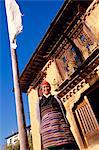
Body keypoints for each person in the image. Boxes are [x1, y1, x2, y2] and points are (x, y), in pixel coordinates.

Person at [37, 80, 79, 150]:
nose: (46, 88)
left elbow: (63, 110)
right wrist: (41, 127)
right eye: (44, 87)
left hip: (60, 125)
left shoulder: (56, 98)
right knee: (51, 146)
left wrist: (62, 119)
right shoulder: (39, 102)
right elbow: (38, 116)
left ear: (50, 88)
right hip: (47, 129)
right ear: (42, 90)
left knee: (66, 144)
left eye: (47, 86)